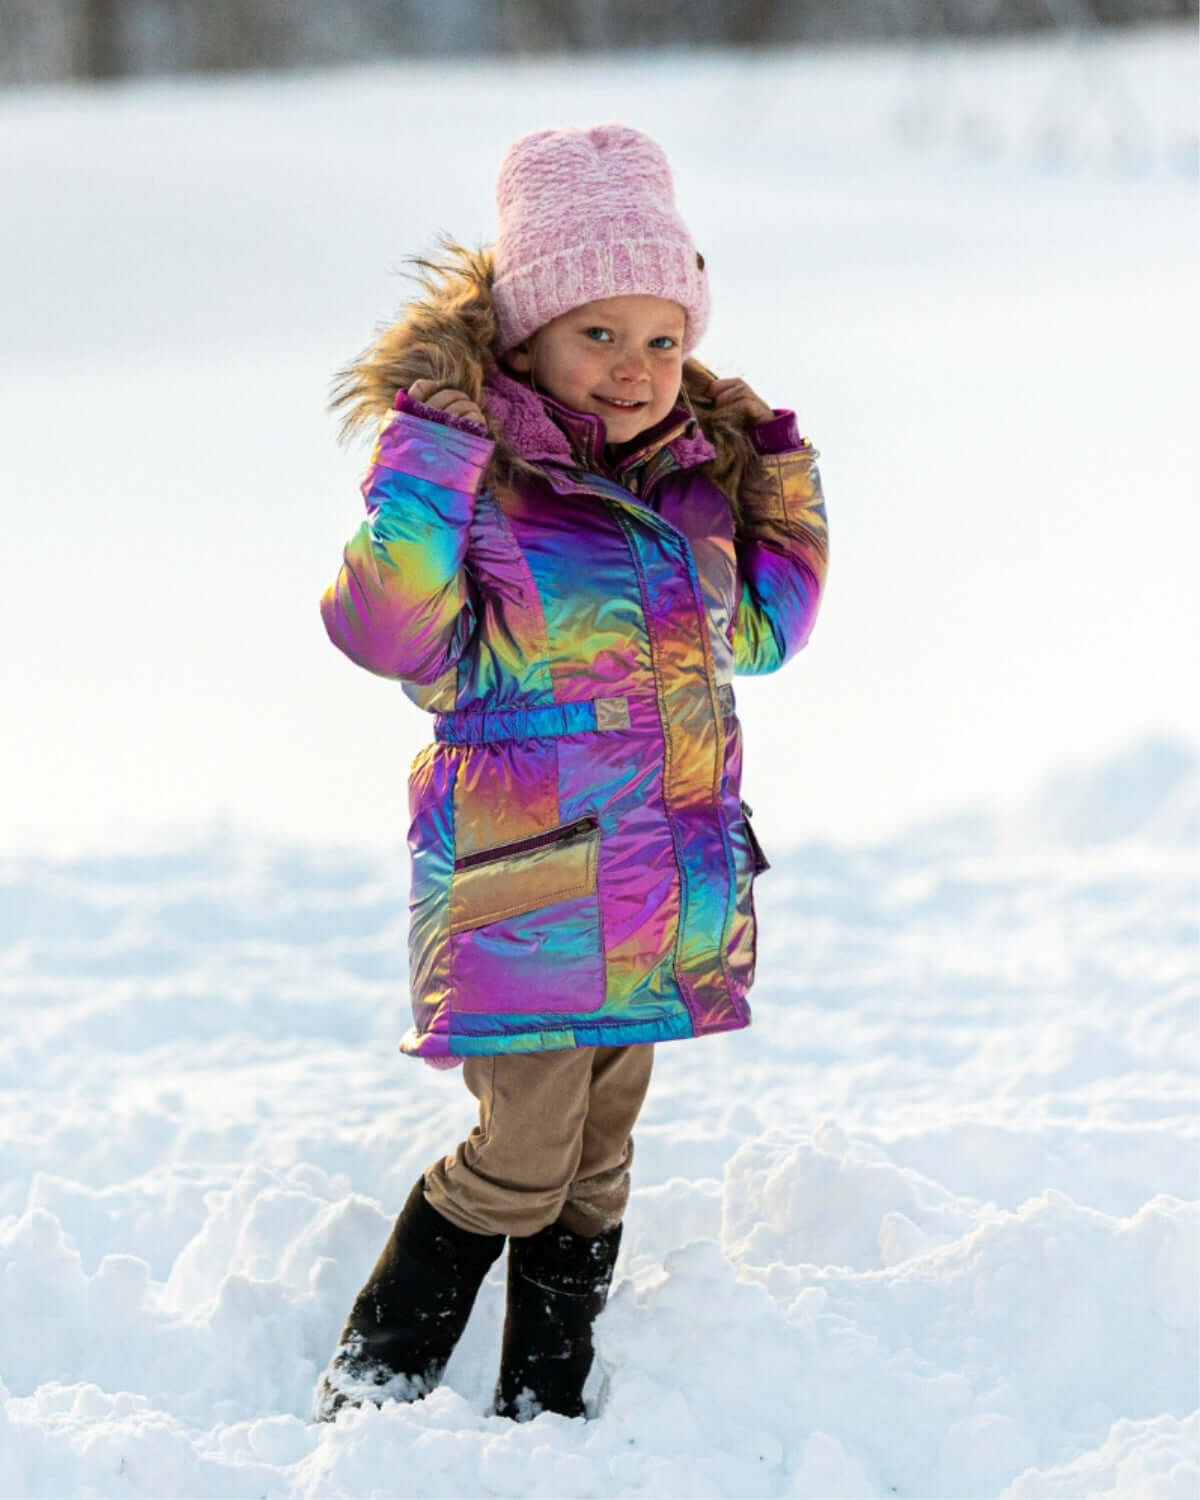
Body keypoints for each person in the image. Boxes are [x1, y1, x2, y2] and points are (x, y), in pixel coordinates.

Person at [313, 123, 828, 1424]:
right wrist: (427, 467)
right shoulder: (475, 481)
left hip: (657, 892)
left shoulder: (689, 488)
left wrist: (779, 484)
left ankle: (547, 1401)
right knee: (519, 1162)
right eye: (599, 334)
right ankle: (372, 1388)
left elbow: (762, 633)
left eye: (664, 340)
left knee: (597, 1165)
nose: (637, 370)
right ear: (526, 331)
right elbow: (384, 629)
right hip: (525, 894)